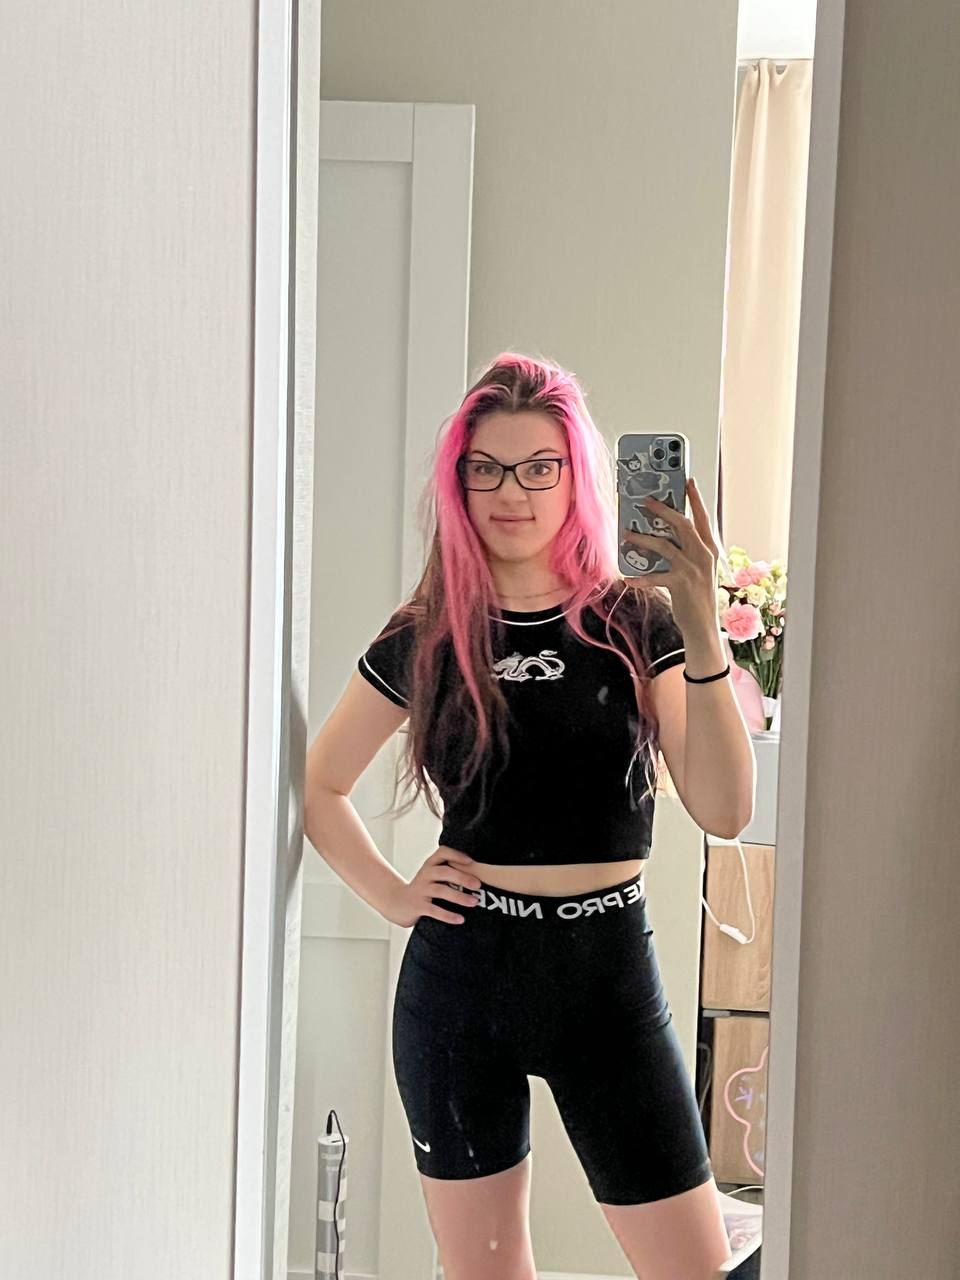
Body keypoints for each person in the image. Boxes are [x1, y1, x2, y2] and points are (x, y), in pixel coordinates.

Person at [304, 353, 755, 1280]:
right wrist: (393, 896)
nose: (512, 491)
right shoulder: (428, 631)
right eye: (488, 468)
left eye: (539, 467)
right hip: (462, 984)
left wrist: (701, 621)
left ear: (576, 474)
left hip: (607, 980)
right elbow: (321, 788)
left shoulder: (636, 622)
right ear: (459, 482)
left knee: (694, 1271)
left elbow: (725, 808)